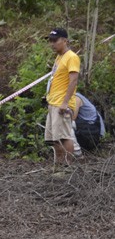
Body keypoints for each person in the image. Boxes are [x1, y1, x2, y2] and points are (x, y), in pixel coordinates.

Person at [45, 28, 80, 165]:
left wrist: (65, 103)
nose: (52, 44)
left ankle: (67, 166)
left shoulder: (72, 57)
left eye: (55, 40)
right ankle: (59, 166)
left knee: (64, 137)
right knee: (54, 138)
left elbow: (73, 81)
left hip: (62, 103)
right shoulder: (59, 57)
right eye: (50, 41)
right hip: (53, 102)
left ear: (65, 40)